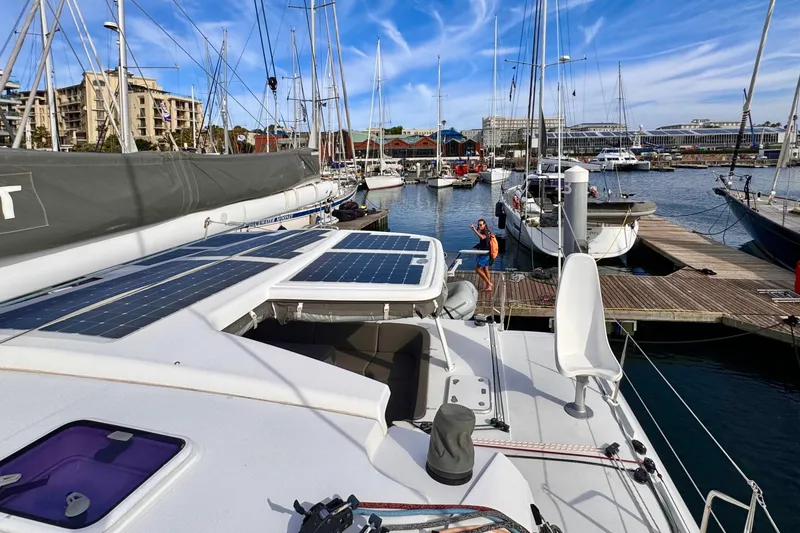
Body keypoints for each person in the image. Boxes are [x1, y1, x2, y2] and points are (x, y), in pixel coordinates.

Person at [470, 219, 494, 292]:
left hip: (485, 254)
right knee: (485, 269)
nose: (479, 226)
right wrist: (477, 246)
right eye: (478, 225)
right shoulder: (485, 231)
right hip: (486, 253)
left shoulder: (486, 232)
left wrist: (474, 230)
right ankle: (489, 286)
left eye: (481, 225)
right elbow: (484, 241)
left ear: (484, 225)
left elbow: (483, 237)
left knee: (477, 270)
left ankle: (489, 283)